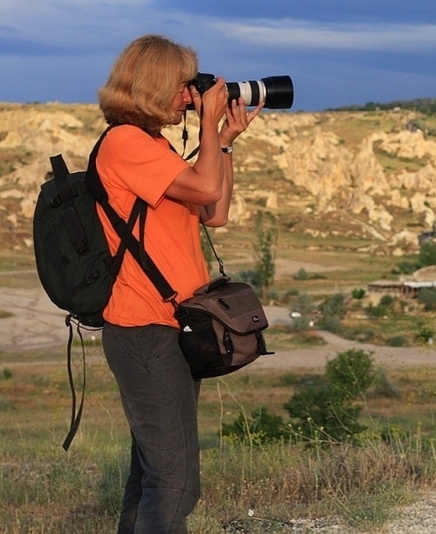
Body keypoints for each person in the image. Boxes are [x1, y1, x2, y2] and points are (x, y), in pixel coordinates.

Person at [95, 34, 264, 533]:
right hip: (144, 330)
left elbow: (215, 212)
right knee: (176, 482)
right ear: (150, 86)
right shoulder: (125, 143)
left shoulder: (151, 144)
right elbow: (208, 188)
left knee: (151, 476)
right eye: (182, 86)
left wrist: (224, 141)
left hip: (170, 328)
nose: (190, 95)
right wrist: (209, 125)